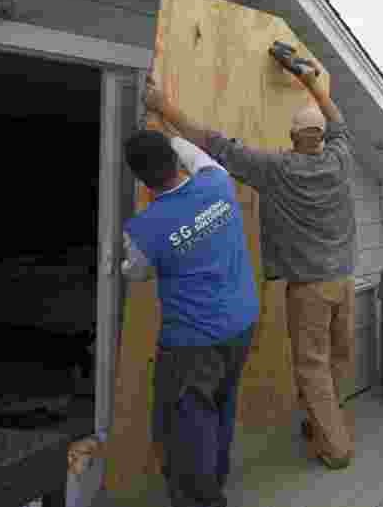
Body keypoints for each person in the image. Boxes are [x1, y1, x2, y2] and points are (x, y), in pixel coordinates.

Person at [143, 56, 358, 470]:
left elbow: (216, 145)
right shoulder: (340, 159)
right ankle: (326, 425)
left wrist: (163, 107)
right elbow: (340, 122)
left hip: (310, 287)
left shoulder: (277, 169)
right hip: (344, 280)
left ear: (294, 137)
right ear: (322, 137)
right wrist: (311, 83)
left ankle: (335, 448)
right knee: (336, 358)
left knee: (312, 366)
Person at [121, 128, 259, 507]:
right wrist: (167, 131)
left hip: (192, 346)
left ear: (140, 179)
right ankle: (214, 484)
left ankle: (202, 500)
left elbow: (136, 272)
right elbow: (194, 152)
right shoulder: (217, 182)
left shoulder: (146, 228)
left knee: (186, 433)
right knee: (219, 411)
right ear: (174, 159)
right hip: (240, 325)